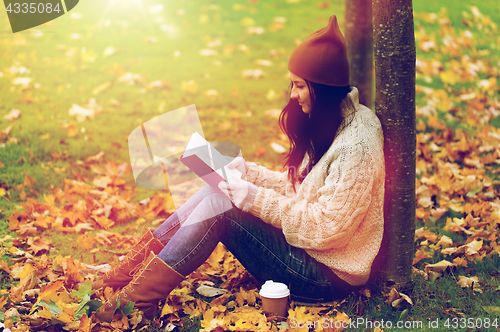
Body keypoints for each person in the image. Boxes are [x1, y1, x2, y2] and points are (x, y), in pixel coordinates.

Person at [94, 15, 385, 322]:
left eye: (300, 86)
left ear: (322, 89)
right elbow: (299, 190)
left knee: (221, 207)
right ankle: (125, 279)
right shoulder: (329, 120)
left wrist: (254, 197)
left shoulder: (357, 144)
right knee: (215, 187)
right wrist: (245, 172)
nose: (292, 94)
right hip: (306, 250)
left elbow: (328, 229)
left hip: (327, 274)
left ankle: (136, 302)